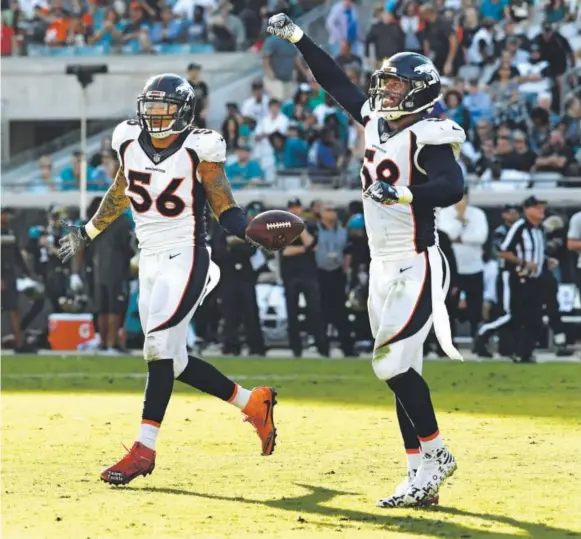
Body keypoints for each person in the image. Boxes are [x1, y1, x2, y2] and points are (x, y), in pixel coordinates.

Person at [268, 14, 464, 507]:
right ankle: (419, 474)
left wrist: (401, 193)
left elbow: (452, 186)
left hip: (417, 259)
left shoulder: (432, 133)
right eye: (387, 83)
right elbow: (335, 80)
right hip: (381, 264)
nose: (387, 91)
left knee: (391, 364)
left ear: (420, 91)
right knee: (402, 372)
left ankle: (437, 454)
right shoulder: (377, 121)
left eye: (396, 84)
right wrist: (299, 38)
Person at [57, 73, 288, 485]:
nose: (156, 116)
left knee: (158, 346)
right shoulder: (127, 139)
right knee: (172, 360)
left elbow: (225, 208)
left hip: (188, 255)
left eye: (165, 109)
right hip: (150, 261)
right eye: (151, 107)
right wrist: (88, 232)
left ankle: (143, 450)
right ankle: (253, 403)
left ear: (183, 112)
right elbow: (122, 190)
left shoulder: (201, 146)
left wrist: (249, 230)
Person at [473, 196, 553, 363]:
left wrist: (546, 261)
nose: (541, 211)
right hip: (516, 277)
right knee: (513, 315)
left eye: (542, 208)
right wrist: (524, 263)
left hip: (535, 280)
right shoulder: (520, 227)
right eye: (538, 208)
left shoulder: (540, 230)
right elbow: (503, 252)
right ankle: (483, 334)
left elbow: (537, 253)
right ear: (527, 209)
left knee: (535, 317)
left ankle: (525, 353)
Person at [437, 187, 489, 342]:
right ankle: (448, 342)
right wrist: (460, 219)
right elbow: (446, 236)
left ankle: (478, 341)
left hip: (473, 266)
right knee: (449, 307)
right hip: (452, 268)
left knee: (476, 307)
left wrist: (461, 239)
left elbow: (481, 237)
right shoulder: (443, 213)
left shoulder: (478, 214)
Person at [279, 198, 329, 358]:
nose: (295, 211)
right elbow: (284, 251)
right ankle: (296, 348)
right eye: (291, 208)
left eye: (297, 208)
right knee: (292, 313)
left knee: (315, 311)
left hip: (309, 274)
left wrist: (300, 228)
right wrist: (304, 248)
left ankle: (322, 346)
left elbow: (313, 244)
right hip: (290, 275)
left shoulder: (311, 225)